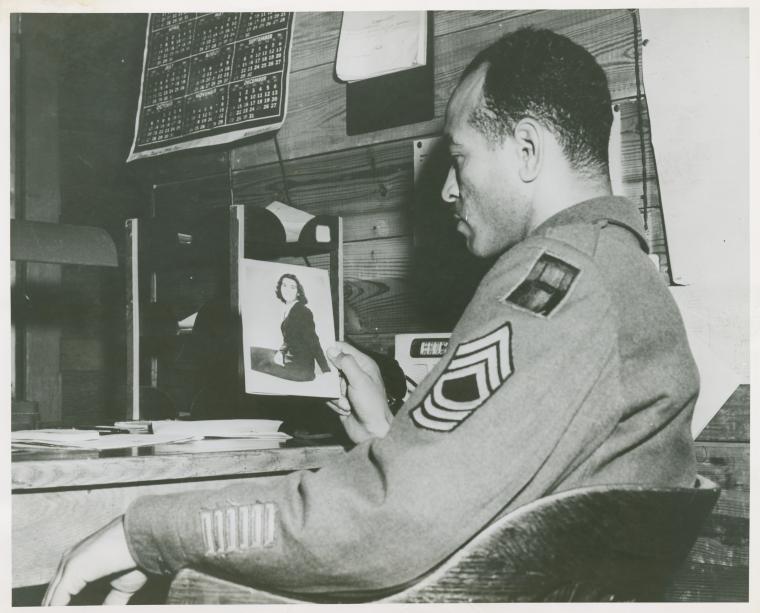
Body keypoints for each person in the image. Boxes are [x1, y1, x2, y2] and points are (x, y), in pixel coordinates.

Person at [43, 27, 698, 605]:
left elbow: (395, 523)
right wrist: (388, 436)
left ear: (526, 151)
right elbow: (508, 492)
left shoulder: (558, 276)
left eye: (460, 155)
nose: (447, 187)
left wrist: (150, 529)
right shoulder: (615, 272)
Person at [250, 273, 331, 382]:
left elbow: (313, 341)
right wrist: (281, 352)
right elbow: (290, 339)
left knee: (258, 360)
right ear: (280, 288)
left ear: (298, 292)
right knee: (254, 353)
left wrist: (326, 370)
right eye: (284, 285)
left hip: (300, 369)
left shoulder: (302, 311)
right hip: (289, 359)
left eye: (292, 287)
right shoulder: (290, 309)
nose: (287, 289)